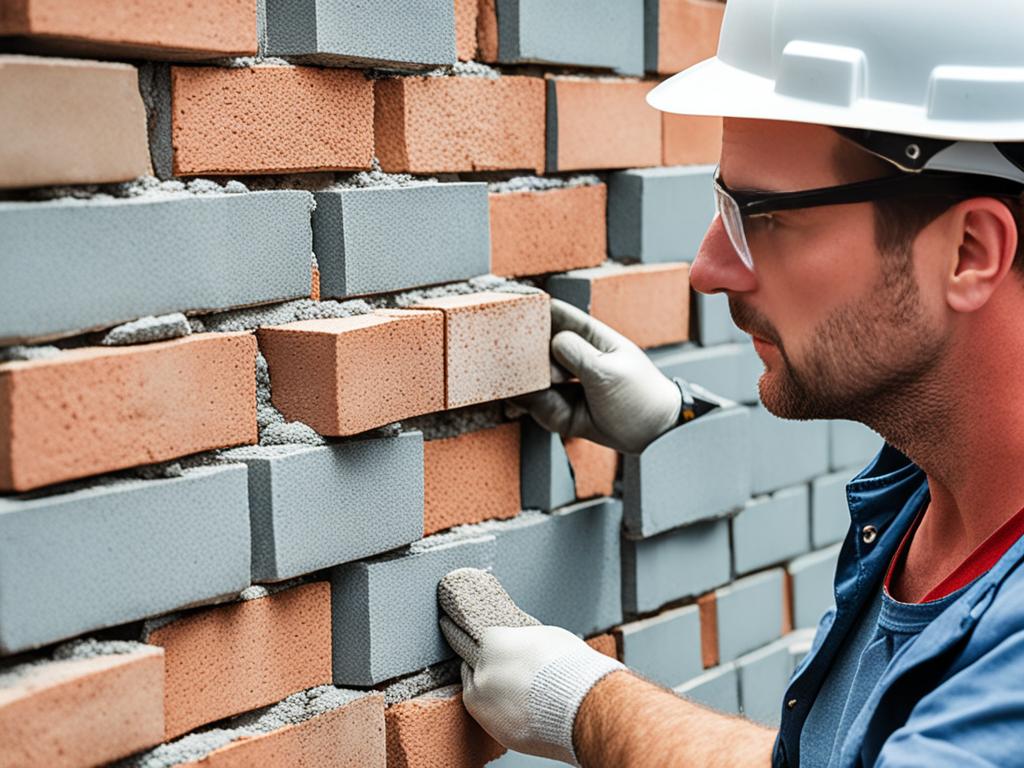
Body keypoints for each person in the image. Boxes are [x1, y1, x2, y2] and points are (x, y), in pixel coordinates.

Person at [438, 0, 1024, 765]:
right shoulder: (933, 476)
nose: (709, 270)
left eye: (762, 216)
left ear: (970, 250)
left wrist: (584, 705)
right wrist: (679, 421)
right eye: (724, 206)